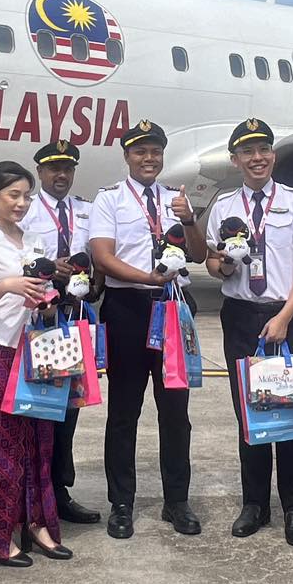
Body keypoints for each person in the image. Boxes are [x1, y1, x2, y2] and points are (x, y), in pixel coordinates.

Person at [203, 119, 293, 546]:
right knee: (249, 413)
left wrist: (286, 316)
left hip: (285, 315)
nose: (257, 158)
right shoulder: (223, 206)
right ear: (235, 160)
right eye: (248, 152)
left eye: (264, 149)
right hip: (240, 316)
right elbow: (213, 263)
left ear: (272, 154)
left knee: (288, 413)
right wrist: (224, 265)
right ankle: (254, 503)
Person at [85, 120, 207, 539]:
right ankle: (121, 503)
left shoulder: (176, 198)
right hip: (128, 309)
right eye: (140, 151)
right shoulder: (110, 199)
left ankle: (177, 501)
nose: (149, 158)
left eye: (155, 151)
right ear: (127, 157)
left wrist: (189, 221)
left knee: (176, 412)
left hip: (171, 308)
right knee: (124, 412)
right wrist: (146, 277)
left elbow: (198, 254)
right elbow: (102, 257)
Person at [0, 161, 69, 568]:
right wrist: (7, 286)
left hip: (37, 349)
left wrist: (48, 302)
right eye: (13, 195)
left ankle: (37, 524)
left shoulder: (36, 242)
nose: (21, 203)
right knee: (2, 443)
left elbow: (43, 295)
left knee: (40, 440)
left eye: (26, 196)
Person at [18, 138, 100, 527]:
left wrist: (89, 276)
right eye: (53, 168)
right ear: (40, 172)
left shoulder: (87, 210)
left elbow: (99, 257)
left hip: (75, 317)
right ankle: (32, 491)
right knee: (37, 409)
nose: (61, 175)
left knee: (69, 410)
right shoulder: (27, 210)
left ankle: (59, 490)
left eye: (67, 168)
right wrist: (51, 265)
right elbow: (16, 257)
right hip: (40, 319)